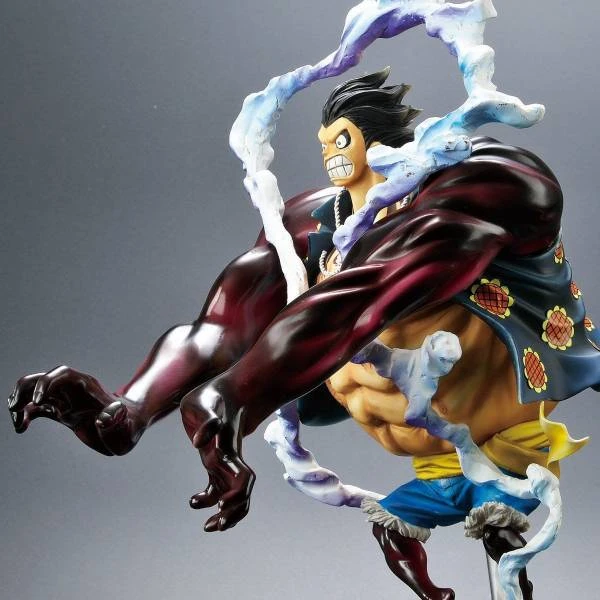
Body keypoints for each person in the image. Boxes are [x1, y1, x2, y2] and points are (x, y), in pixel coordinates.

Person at [8, 70, 599, 600]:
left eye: (340, 140)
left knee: (505, 543)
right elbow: (222, 329)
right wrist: (128, 411)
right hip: (425, 447)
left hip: (503, 432)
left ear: (375, 138)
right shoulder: (309, 222)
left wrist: (234, 397)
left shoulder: (484, 183)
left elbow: (369, 293)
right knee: (403, 532)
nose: (329, 156)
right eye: (323, 144)